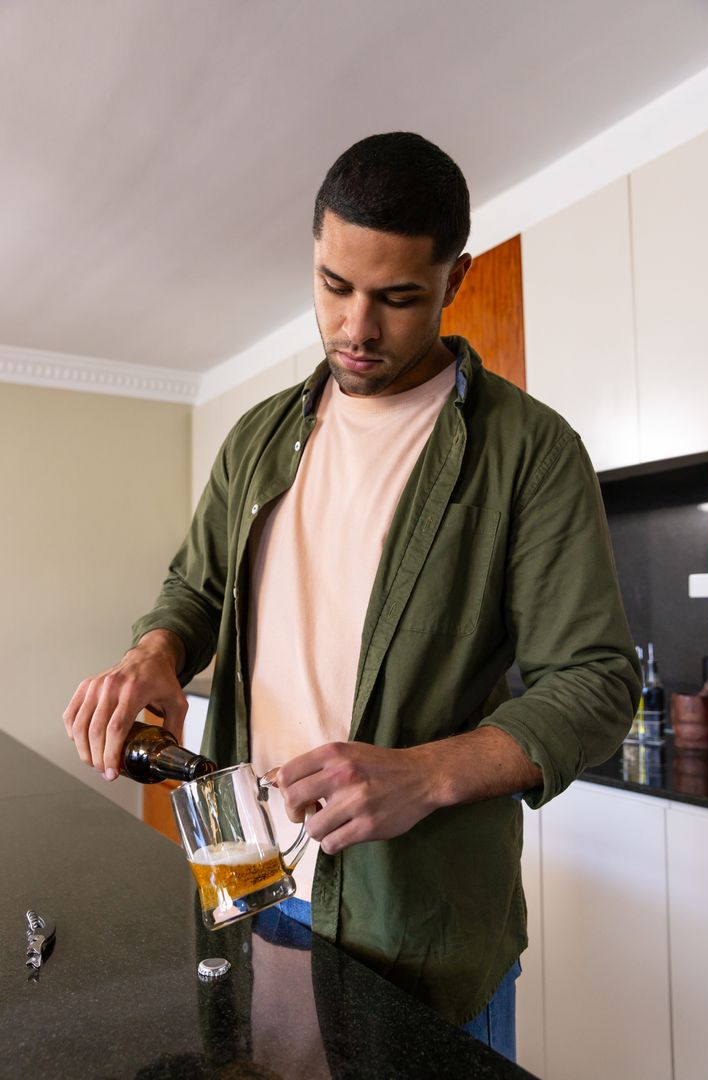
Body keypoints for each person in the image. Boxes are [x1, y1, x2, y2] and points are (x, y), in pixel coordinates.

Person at [64, 132, 641, 1061]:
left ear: (453, 281)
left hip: (419, 932)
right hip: (244, 888)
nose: (357, 329)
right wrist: (156, 653)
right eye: (335, 287)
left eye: (397, 298)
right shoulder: (259, 436)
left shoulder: (530, 451)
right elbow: (193, 588)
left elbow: (597, 681)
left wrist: (427, 773)